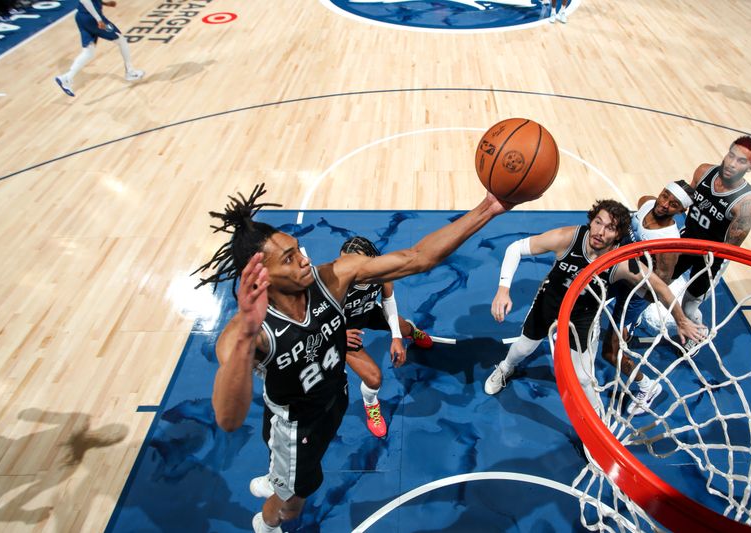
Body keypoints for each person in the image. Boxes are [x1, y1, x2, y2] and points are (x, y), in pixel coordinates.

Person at [193, 184, 515, 533]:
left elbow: (417, 257)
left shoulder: (332, 278)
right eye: (289, 258)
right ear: (260, 275)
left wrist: (488, 208)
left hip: (334, 398)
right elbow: (228, 418)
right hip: (296, 427)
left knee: (298, 476)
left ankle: (278, 478)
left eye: (298, 249)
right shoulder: (247, 330)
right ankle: (266, 523)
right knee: (293, 503)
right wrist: (244, 336)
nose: (305, 258)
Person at [485, 199, 703, 411]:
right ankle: (505, 368)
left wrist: (681, 320)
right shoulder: (569, 237)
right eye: (598, 222)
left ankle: (596, 417)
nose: (600, 232)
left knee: (582, 377)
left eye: (610, 228)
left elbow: (660, 286)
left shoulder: (621, 263)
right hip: (549, 302)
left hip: (583, 316)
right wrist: (503, 289)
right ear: (591, 221)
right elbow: (516, 248)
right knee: (523, 347)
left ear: (619, 235)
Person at [601, 181, 694, 415]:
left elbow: (661, 282)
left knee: (611, 353)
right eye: (664, 196)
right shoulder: (647, 203)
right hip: (620, 272)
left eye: (673, 205)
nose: (663, 204)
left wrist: (636, 306)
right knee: (585, 295)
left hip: (635, 292)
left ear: (681, 212)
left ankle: (648, 386)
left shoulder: (668, 242)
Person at [339, 235, 433, 438]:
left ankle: (410, 333)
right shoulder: (334, 282)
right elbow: (313, 319)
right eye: (344, 262)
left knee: (404, 328)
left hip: (368, 311)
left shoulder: (381, 271)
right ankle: (371, 405)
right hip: (344, 330)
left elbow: (388, 300)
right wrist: (337, 334)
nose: (349, 267)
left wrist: (397, 337)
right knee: (374, 378)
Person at [671, 136, 751, 326]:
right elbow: (684, 204)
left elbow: (730, 249)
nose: (731, 163)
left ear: (749, 168)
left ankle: (697, 335)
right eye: (731, 156)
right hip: (687, 239)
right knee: (657, 279)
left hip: (711, 258)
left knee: (689, 306)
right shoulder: (704, 171)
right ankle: (628, 323)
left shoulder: (747, 203)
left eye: (741, 161)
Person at [54, 0, 144, 97]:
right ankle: (130, 72)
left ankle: (66, 78)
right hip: (92, 19)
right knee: (121, 41)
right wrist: (98, 19)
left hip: (81, 17)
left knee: (88, 51)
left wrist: (104, 3)